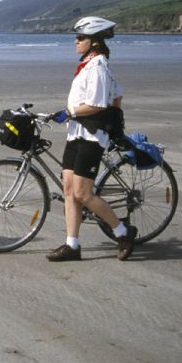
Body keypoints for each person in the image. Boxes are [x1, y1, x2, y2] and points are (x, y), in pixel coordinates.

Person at [47, 16, 137, 262]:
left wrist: (73, 113)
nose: (76, 41)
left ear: (94, 41)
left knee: (83, 194)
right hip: (77, 133)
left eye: (81, 37)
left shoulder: (98, 66)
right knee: (68, 190)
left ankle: (123, 231)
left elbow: (96, 104)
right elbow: (118, 94)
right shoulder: (90, 64)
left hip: (91, 136)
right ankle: (72, 246)